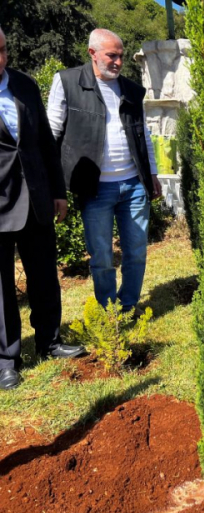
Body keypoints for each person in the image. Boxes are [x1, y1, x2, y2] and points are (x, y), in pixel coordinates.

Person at [47, 29, 162, 314]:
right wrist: (52, 184)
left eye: (121, 56)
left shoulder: (132, 90)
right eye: (112, 55)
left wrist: (153, 174)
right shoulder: (68, 81)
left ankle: (129, 304)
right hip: (94, 188)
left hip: (134, 185)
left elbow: (143, 135)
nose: (118, 62)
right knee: (101, 256)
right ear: (92, 53)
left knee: (136, 252)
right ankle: (109, 309)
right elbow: (52, 132)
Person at [0, 27, 86, 391]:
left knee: (45, 276)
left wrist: (58, 191)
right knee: (1, 288)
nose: (0, 59)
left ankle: (50, 341)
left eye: (2, 49)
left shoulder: (25, 84)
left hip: (36, 197)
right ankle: (7, 360)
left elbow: (45, 143)